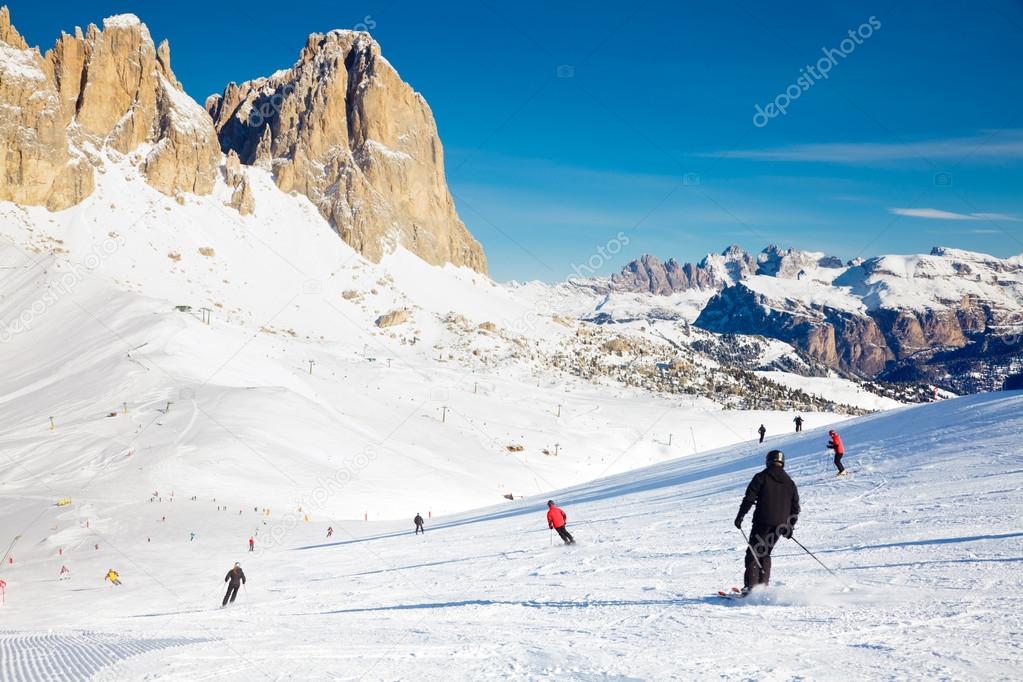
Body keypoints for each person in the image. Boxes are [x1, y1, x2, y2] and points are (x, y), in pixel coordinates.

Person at [734, 449, 800, 594]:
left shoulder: (761, 477)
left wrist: (740, 516)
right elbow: (795, 508)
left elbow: (749, 498)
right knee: (765, 552)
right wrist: (789, 526)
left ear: (768, 461)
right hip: (780, 526)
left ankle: (752, 588)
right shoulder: (790, 482)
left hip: (762, 521)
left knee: (754, 552)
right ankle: (761, 588)